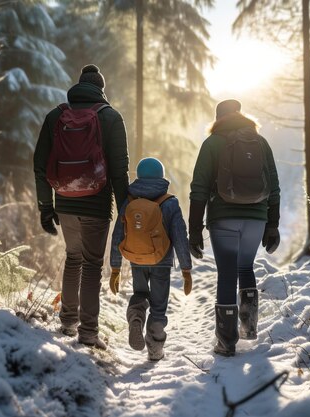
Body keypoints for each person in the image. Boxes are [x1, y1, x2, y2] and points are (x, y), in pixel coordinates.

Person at [33, 64, 129, 350]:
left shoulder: (55, 116)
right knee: (91, 265)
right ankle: (88, 333)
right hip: (97, 204)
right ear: (101, 89)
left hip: (64, 201)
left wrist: (45, 206)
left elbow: (40, 165)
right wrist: (125, 209)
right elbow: (120, 170)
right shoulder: (110, 117)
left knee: (73, 258)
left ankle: (67, 321)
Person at [188, 99, 280, 357]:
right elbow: (274, 185)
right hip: (257, 218)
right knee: (245, 267)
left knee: (227, 273)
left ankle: (227, 342)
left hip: (223, 217)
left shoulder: (212, 143)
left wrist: (194, 229)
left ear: (218, 118)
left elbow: (199, 188)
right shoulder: (260, 142)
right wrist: (272, 224)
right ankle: (248, 328)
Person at [109, 157, 192, 361]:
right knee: (158, 304)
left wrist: (115, 267)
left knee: (140, 293)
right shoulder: (169, 202)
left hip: (137, 259)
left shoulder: (130, 201)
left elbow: (118, 234)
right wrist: (186, 269)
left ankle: (136, 317)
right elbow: (180, 236)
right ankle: (155, 348)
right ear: (161, 177)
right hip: (161, 261)